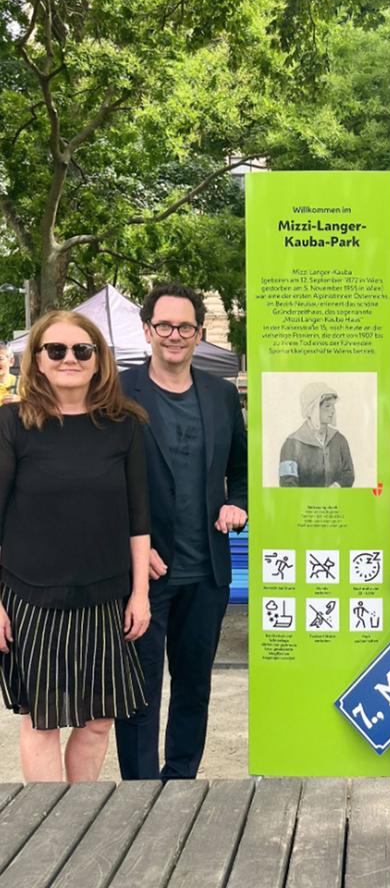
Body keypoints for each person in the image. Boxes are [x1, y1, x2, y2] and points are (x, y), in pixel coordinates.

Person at [0, 311, 150, 782]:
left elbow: (139, 519)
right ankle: (50, 827)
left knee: (99, 719)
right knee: (41, 719)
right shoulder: (11, 423)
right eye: (56, 350)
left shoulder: (124, 425)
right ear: (38, 361)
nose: (70, 359)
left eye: (82, 350)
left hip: (105, 596)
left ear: (99, 360)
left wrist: (140, 592)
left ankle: (81, 817)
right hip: (31, 596)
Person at [114, 282, 247, 781]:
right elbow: (101, 478)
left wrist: (237, 505)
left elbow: (241, 466)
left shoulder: (219, 394)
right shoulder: (120, 392)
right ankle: (140, 789)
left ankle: (181, 780)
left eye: (184, 326)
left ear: (198, 333)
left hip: (207, 572)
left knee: (194, 686)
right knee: (139, 689)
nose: (174, 334)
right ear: (147, 330)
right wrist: (128, 548)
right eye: (165, 325)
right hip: (143, 575)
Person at [279, 382, 354, 487]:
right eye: (327, 406)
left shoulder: (339, 440)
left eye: (333, 406)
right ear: (312, 409)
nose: (332, 410)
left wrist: (337, 486)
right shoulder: (290, 444)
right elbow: (287, 484)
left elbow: (349, 474)